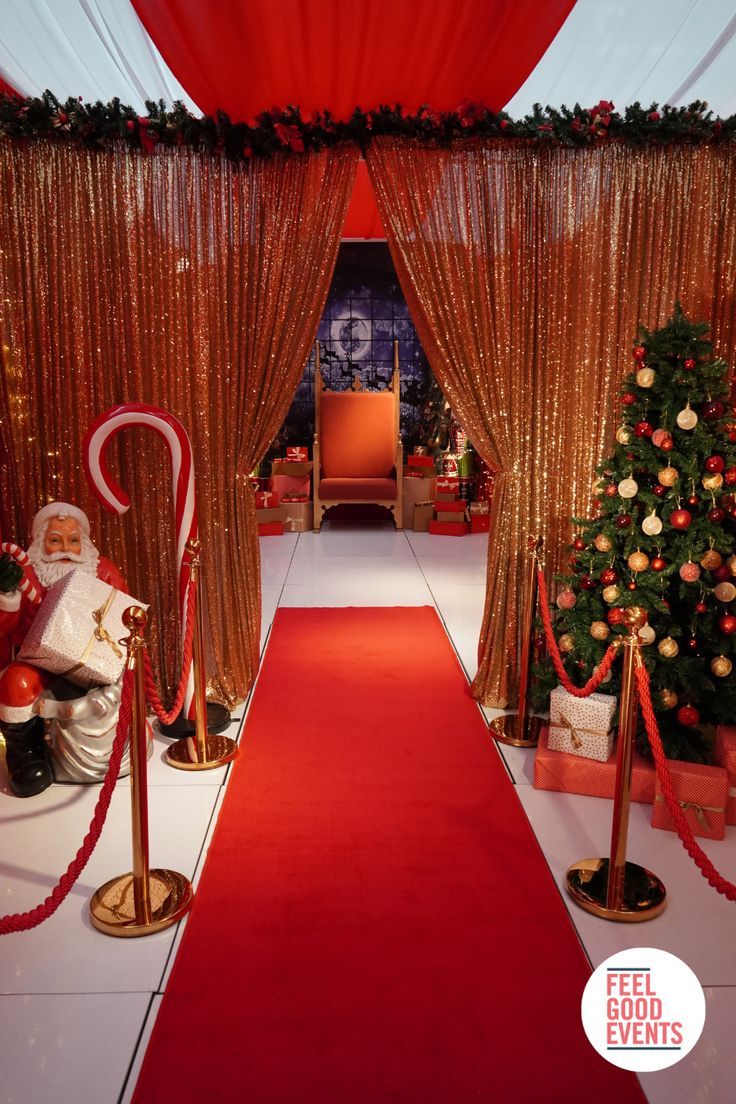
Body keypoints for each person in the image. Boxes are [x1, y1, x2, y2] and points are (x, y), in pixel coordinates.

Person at [0, 503, 126, 797]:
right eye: (55, 540)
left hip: (93, 659)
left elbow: (122, 618)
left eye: (73, 541)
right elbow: (6, 628)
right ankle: (26, 756)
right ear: (40, 544)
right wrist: (7, 597)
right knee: (15, 683)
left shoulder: (103, 571)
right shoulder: (23, 577)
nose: (65, 549)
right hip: (38, 662)